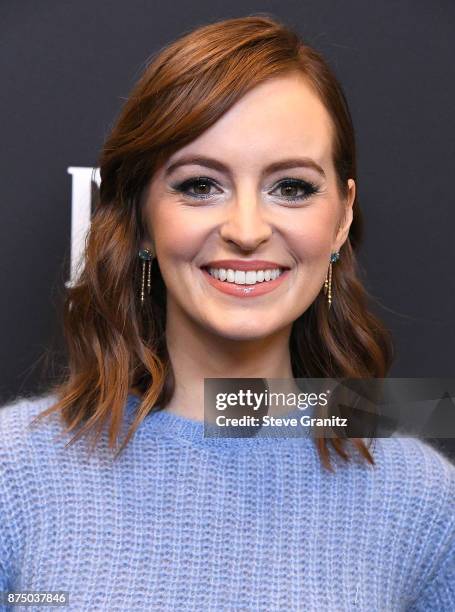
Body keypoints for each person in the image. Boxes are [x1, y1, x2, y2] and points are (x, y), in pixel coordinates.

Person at [1, 14, 453, 611]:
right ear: (140, 213)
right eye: (199, 185)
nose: (246, 231)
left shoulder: (423, 501)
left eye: (291, 187)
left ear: (342, 216)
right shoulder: (14, 473)